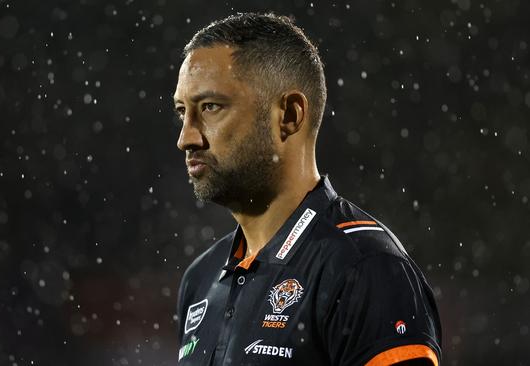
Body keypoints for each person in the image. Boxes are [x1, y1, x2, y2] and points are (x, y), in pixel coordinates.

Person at [172, 12, 442, 366]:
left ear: (289, 114)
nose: (186, 138)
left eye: (210, 107)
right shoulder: (200, 279)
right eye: (182, 112)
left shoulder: (366, 270)